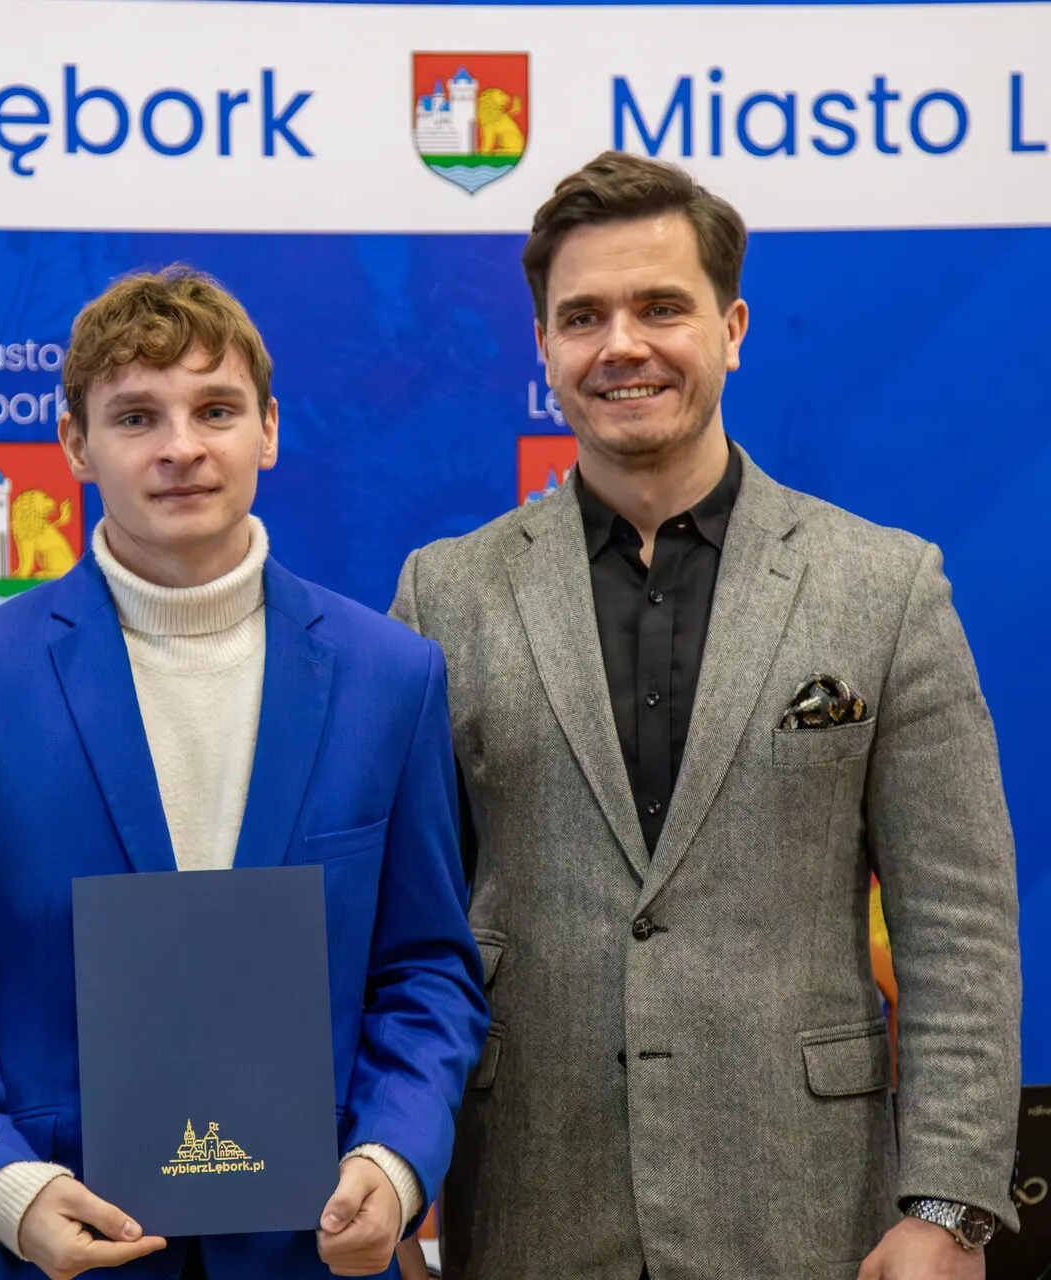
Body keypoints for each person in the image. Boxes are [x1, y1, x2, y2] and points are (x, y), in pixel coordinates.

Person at [391, 153, 1021, 1280]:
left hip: (809, 1213)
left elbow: (959, 923)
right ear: (543, 347)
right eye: (583, 316)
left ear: (731, 329)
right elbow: (402, 927)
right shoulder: (446, 594)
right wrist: (387, 1174)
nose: (621, 343)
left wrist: (950, 1204)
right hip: (532, 1207)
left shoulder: (885, 586)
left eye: (661, 307)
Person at [0, 267, 486, 1279]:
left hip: (311, 1248)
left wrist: (392, 1159)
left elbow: (425, 968)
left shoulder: (392, 677)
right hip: (60, 1252)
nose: (182, 446)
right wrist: (8, 1188)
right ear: (75, 445)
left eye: (216, 410)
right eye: (135, 416)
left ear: (270, 430)